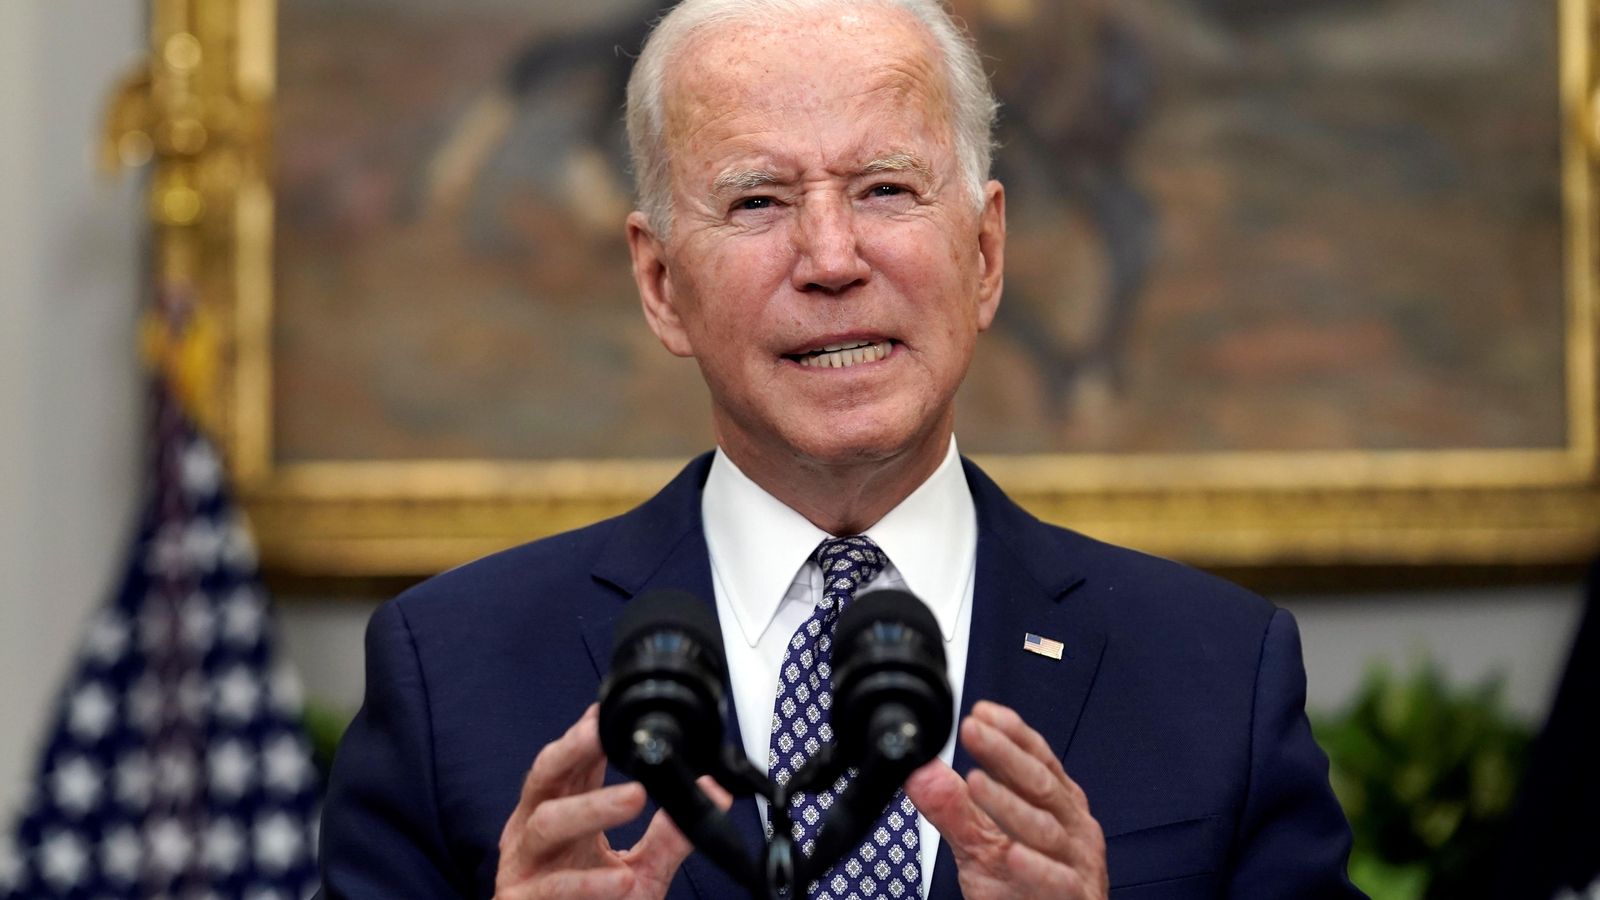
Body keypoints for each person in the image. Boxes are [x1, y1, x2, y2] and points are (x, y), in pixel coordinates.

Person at [318, 1, 1363, 897]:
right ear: (660, 283)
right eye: (758, 200)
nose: (828, 258)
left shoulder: (1215, 675)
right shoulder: (450, 674)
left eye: (885, 189)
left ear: (986, 253)